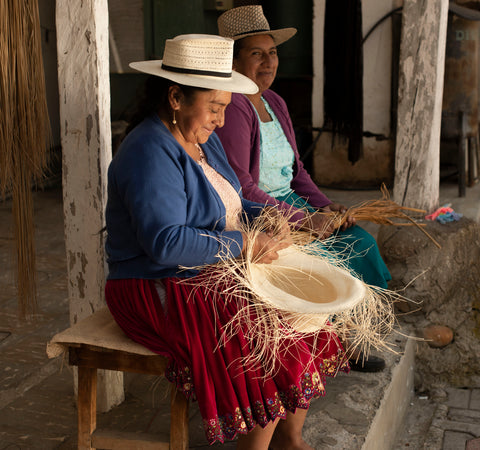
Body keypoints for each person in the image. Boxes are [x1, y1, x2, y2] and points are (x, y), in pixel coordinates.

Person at [104, 34, 349, 449]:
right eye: (215, 107)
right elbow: (166, 244)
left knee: (312, 313)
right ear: (176, 97)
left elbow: (228, 204)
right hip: (156, 284)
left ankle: (290, 439)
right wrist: (246, 245)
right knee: (266, 337)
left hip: (209, 268)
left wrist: (267, 219)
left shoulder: (203, 138)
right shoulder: (150, 151)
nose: (221, 119)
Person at [215, 6, 391, 371]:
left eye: (273, 52)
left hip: (294, 205)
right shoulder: (232, 108)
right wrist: (303, 220)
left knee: (360, 241)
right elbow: (242, 184)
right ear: (233, 60)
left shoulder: (274, 102)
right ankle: (329, 349)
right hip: (262, 213)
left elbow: (297, 173)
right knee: (329, 258)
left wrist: (328, 208)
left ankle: (350, 336)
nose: (268, 62)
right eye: (256, 53)